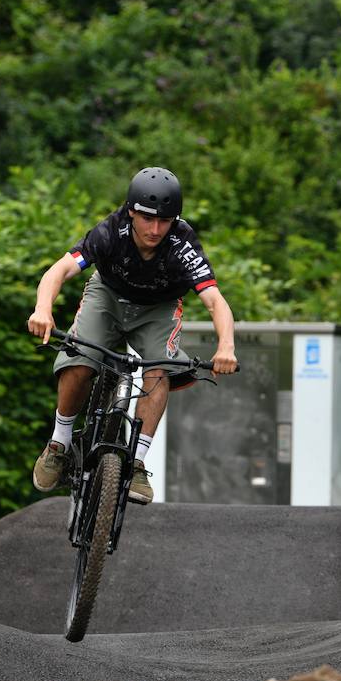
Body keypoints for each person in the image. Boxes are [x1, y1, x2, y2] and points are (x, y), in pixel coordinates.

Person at [27, 166, 238, 504]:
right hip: (108, 297)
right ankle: (59, 443)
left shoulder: (182, 243)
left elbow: (215, 300)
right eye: (147, 219)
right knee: (80, 360)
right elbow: (60, 269)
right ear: (131, 212)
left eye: (164, 221)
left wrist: (226, 346)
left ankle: (137, 462)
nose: (155, 230)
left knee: (159, 371)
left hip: (157, 309)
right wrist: (42, 308)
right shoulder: (111, 231)